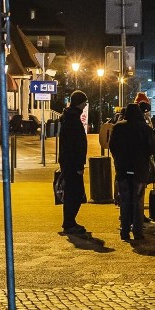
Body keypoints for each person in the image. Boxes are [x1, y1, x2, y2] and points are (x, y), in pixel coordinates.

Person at [109, 102, 155, 241]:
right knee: (138, 201)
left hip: (123, 169)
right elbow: (152, 149)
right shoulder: (145, 128)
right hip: (139, 170)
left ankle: (124, 232)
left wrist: (119, 159)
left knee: (125, 201)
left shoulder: (118, 127)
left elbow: (112, 146)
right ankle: (137, 232)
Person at [58, 90, 89, 235]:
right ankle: (69, 223)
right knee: (74, 193)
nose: (85, 105)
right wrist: (78, 165)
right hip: (72, 163)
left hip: (68, 162)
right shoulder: (72, 119)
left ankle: (69, 222)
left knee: (73, 192)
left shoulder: (69, 116)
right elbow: (75, 145)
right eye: (84, 102)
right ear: (79, 103)